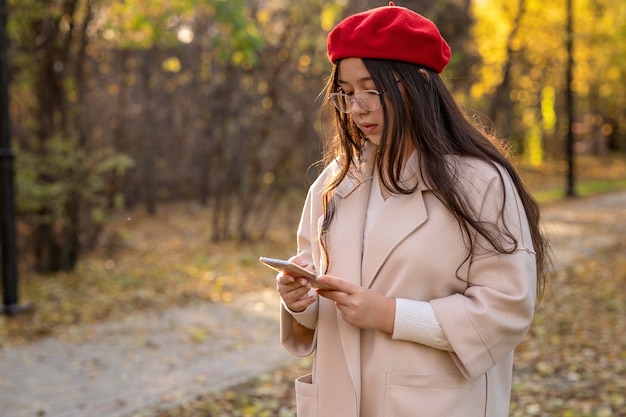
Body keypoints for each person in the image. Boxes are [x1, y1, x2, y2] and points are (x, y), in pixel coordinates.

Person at [275, 2, 550, 417]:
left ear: (419, 83)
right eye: (346, 94)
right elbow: (322, 296)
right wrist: (300, 300)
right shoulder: (335, 181)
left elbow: (506, 308)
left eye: (371, 89)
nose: (357, 108)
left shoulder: (479, 182)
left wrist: (388, 314)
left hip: (434, 402)